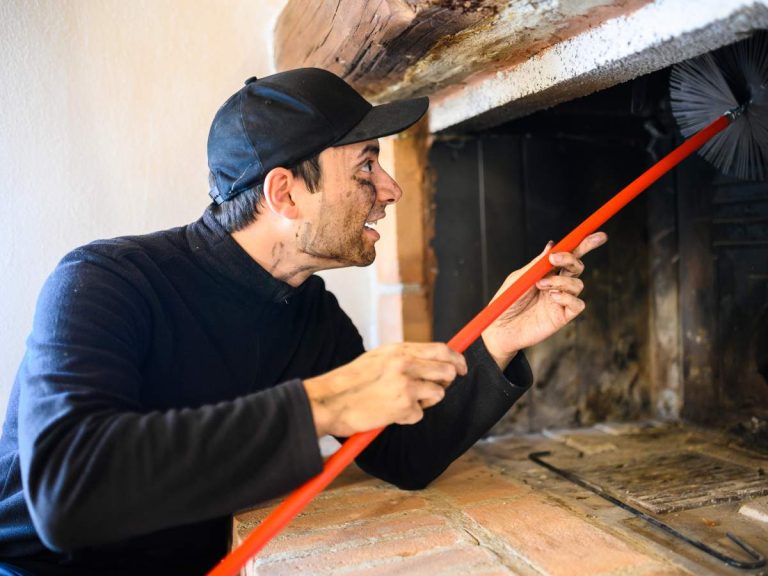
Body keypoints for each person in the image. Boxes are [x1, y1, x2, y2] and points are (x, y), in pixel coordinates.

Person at [0, 68, 606, 575]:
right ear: (285, 194)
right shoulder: (105, 281)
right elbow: (67, 492)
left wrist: (499, 338)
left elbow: (403, 454)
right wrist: (326, 401)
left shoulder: (309, 311)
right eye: (366, 168)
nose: (390, 189)